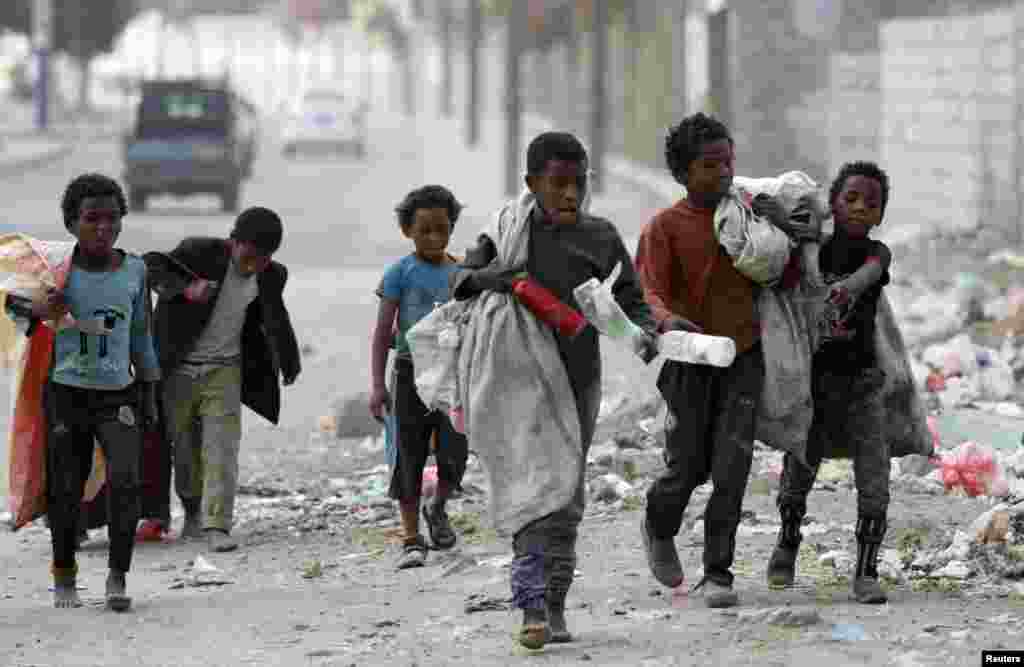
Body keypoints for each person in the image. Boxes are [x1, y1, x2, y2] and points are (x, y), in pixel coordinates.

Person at [451, 132, 659, 649]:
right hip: (516, 378)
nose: (571, 194)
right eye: (558, 184)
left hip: (578, 377)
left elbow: (630, 302)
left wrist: (642, 333)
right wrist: (500, 279)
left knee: (565, 493)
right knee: (530, 490)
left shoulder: (601, 236)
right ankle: (531, 606)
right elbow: (460, 280)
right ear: (531, 184)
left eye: (580, 182)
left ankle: (557, 603)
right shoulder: (506, 230)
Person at [635, 112, 819, 608]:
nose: (723, 173)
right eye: (710, 164)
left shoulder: (746, 218)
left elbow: (780, 277)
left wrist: (786, 232)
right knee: (688, 465)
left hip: (742, 357)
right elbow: (646, 291)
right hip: (690, 362)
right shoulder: (665, 228)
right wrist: (667, 320)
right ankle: (658, 521)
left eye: (729, 162)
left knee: (732, 467)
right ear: (683, 172)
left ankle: (718, 572)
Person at [30, 173, 161, 610]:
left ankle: (117, 576)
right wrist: (40, 309)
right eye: (92, 219)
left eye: (112, 218)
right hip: (66, 395)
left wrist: (150, 389)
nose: (103, 227)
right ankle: (64, 573)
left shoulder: (136, 270)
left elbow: (141, 334)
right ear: (72, 224)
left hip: (118, 395)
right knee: (66, 489)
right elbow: (16, 313)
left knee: (125, 482)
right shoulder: (57, 271)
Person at [766, 161, 894, 604]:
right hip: (815, 382)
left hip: (863, 382)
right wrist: (786, 224)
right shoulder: (811, 249)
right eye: (850, 199)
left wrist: (842, 290)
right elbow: (787, 268)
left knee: (874, 476)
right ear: (832, 206)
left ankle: (866, 570)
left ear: (879, 215)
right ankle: (786, 543)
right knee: (800, 464)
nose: (860, 208)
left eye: (871, 203)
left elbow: (868, 275)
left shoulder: (878, 253)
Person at [145, 207, 301, 553]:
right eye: (249, 254)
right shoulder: (199, 252)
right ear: (234, 242)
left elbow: (277, 317)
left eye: (264, 258)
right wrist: (185, 288)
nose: (255, 264)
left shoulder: (272, 275)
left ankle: (217, 525)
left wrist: (288, 361)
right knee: (184, 448)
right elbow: (150, 267)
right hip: (179, 368)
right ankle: (190, 515)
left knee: (221, 448)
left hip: (225, 370)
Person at [369, 185, 470, 570]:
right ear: (407, 231)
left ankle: (438, 505)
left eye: (442, 229)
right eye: (425, 230)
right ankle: (412, 538)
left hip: (452, 378)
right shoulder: (399, 273)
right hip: (410, 374)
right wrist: (378, 385)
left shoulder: (461, 273)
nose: (434, 238)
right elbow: (382, 332)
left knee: (455, 451)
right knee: (407, 457)